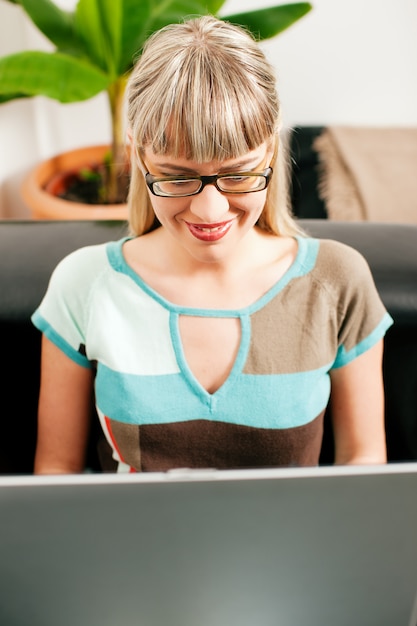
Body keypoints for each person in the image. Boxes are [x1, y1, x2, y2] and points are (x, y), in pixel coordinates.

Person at [32, 16, 393, 474]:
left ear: (270, 150)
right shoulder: (83, 284)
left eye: (238, 174)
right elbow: (55, 475)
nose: (208, 211)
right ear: (139, 155)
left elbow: (363, 466)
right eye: (176, 177)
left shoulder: (337, 282)